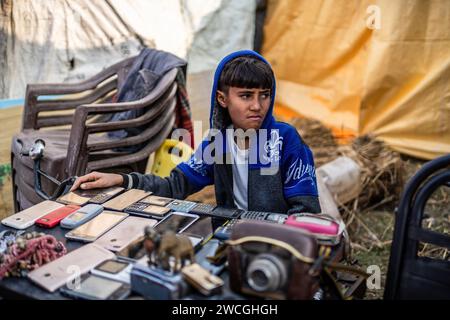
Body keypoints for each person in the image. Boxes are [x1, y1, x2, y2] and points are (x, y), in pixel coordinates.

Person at [70, 50, 321, 215]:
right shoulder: (218, 143)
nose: (257, 106)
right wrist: (122, 180)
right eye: (245, 96)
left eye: (264, 95)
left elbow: (305, 211)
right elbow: (174, 186)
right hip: (229, 244)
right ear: (222, 99)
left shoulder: (285, 141)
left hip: (278, 249)